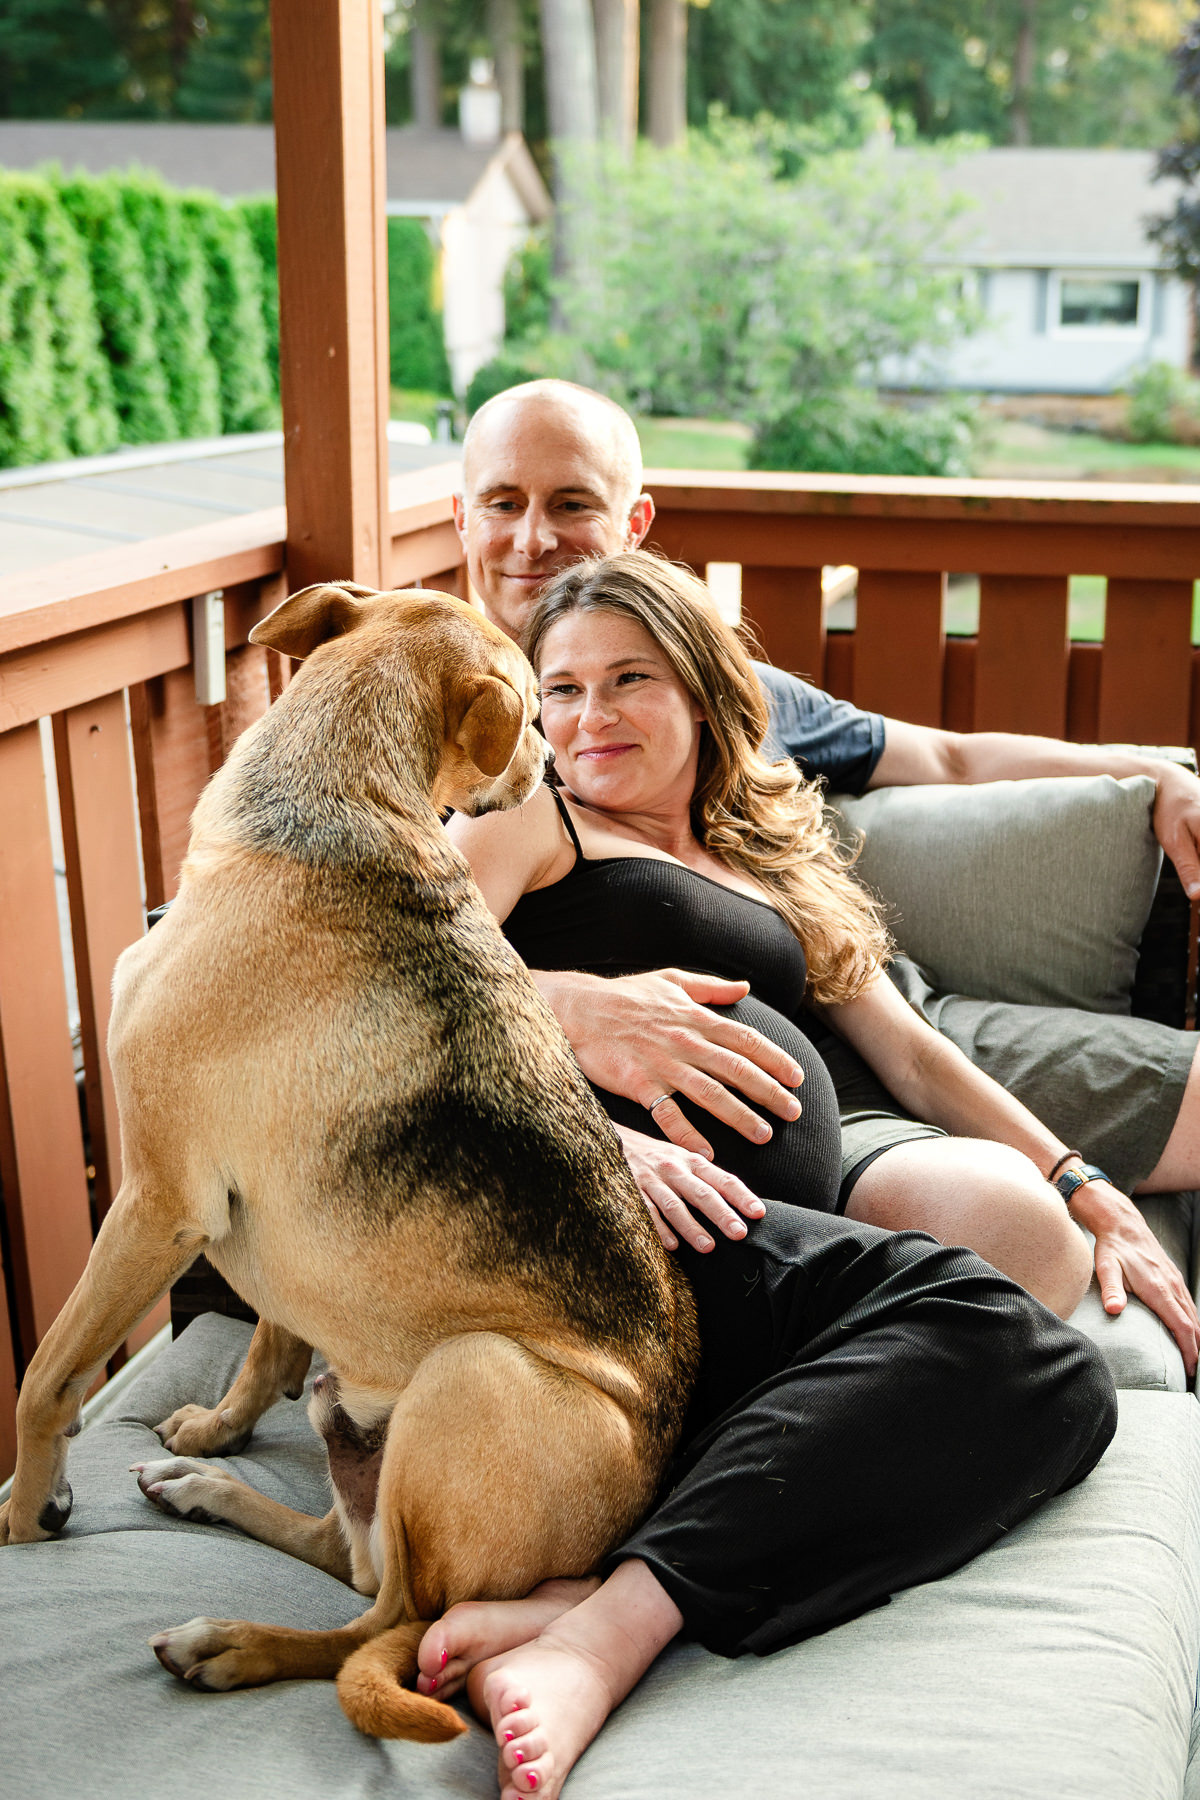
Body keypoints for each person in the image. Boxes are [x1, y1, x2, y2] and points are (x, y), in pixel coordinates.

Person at [415, 549, 1118, 1800]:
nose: (587, 717)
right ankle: (611, 1637)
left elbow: (913, 1055)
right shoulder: (531, 819)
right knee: (994, 1334)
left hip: (749, 1242)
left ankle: (608, 1591)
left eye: (628, 679)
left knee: (1052, 1376)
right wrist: (594, 1127)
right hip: (606, 1222)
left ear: (700, 689)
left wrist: (1078, 1178)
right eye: (559, 689)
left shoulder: (766, 851)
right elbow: (404, 985)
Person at [450, 376, 1200, 1363]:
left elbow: (948, 759)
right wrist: (558, 1007)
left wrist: (1155, 769)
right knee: (1014, 1242)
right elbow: (365, 970)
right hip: (784, 1116)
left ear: (634, 524)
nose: (534, 541)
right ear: (461, 517)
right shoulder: (452, 749)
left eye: (571, 505)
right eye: (504, 503)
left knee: (1041, 1209)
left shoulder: (726, 696)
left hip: (887, 1013)